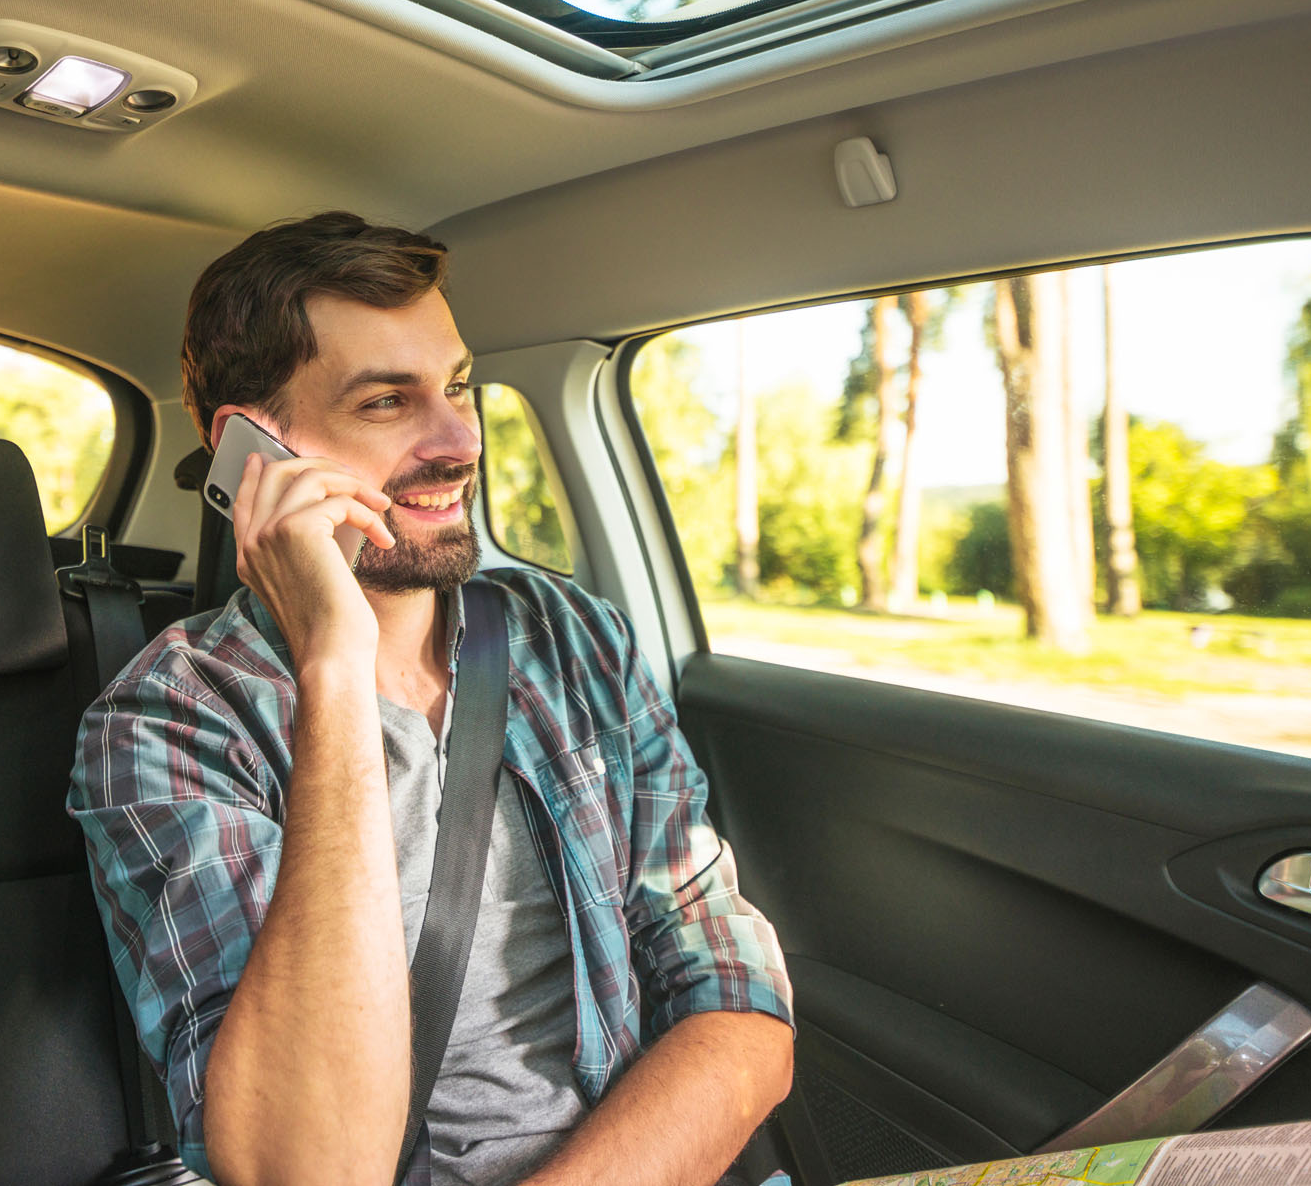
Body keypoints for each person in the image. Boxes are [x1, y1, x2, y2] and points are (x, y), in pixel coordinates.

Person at [69, 212, 793, 1186]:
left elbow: (735, 991)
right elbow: (304, 1168)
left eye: (458, 386)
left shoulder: (574, 638)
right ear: (248, 448)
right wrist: (332, 666)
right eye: (385, 402)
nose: (459, 441)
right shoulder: (169, 720)